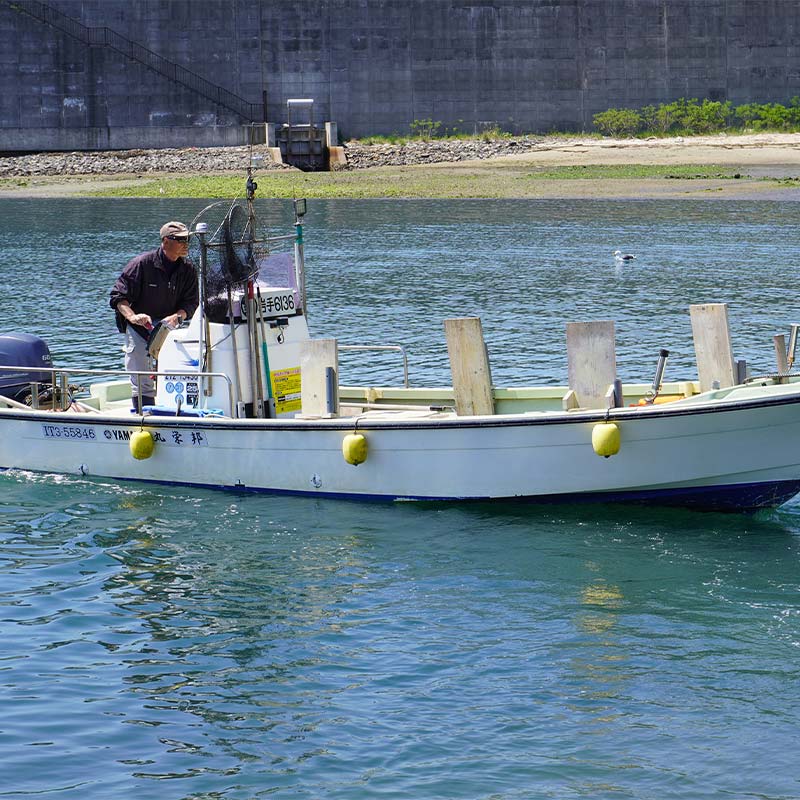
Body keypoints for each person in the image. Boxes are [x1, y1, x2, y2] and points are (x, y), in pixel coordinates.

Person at [110, 221, 199, 411]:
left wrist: (178, 316)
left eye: (188, 239)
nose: (186, 244)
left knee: (176, 371)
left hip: (170, 328)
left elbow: (191, 303)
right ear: (166, 241)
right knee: (141, 378)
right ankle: (145, 418)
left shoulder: (189, 270)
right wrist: (133, 317)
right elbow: (118, 297)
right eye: (180, 240)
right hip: (140, 328)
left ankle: (174, 412)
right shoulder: (141, 264)